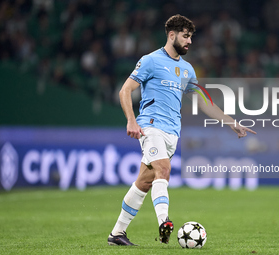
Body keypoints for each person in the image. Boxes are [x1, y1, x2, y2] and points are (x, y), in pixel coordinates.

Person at [108, 14, 256, 246]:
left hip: (172, 133)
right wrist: (131, 121)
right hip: (150, 126)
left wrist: (231, 123)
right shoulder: (150, 61)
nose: (189, 41)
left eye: (191, 38)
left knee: (145, 182)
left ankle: (117, 233)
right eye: (185, 36)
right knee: (164, 170)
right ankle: (164, 222)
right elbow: (125, 91)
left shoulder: (187, 70)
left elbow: (205, 102)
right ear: (171, 35)